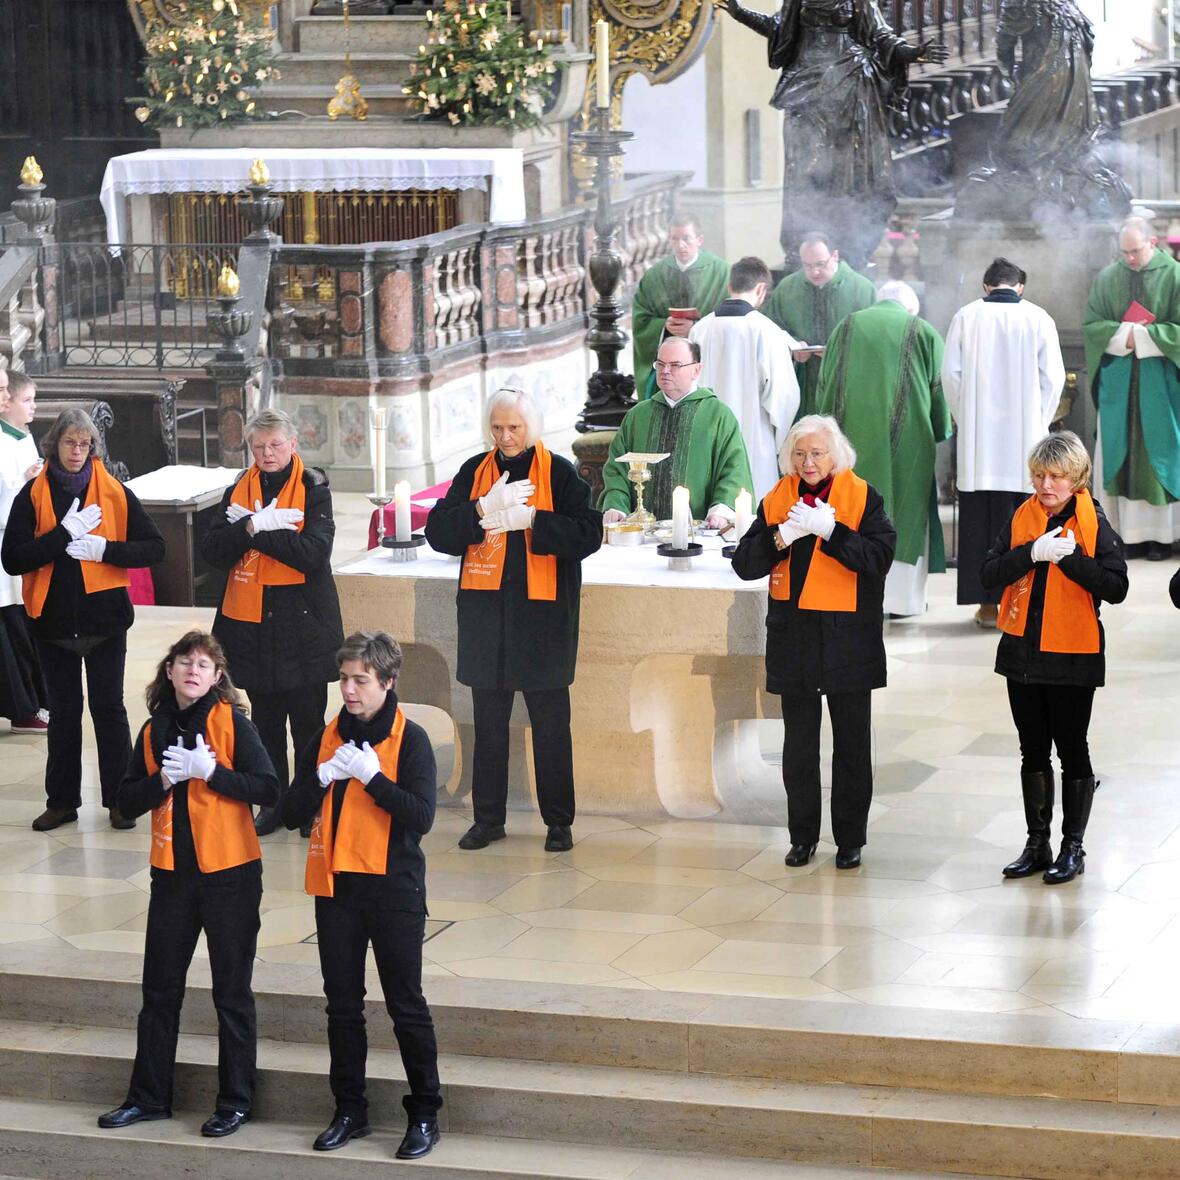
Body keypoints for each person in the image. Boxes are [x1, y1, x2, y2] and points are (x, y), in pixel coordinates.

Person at [97, 631, 278, 1136]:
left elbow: (269, 789)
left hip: (231, 877)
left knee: (231, 993)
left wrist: (213, 772)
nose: (193, 671)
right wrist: (164, 782)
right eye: (185, 662)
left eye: (204, 664)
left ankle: (236, 1101)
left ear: (217, 677)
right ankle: (148, 1097)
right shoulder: (154, 730)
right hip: (172, 877)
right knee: (159, 990)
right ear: (170, 671)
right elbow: (125, 800)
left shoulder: (233, 725)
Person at [280, 631, 442, 1160]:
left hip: (394, 890)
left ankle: (424, 1113)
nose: (349, 690)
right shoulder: (325, 736)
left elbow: (421, 816)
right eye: (345, 679)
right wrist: (320, 779)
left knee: (406, 1005)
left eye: (361, 681)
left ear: (387, 682)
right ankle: (349, 1109)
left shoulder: (410, 738)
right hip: (337, 890)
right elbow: (288, 811)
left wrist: (373, 779)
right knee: (342, 1007)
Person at [426, 388, 602, 852]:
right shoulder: (474, 472)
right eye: (498, 428)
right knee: (488, 724)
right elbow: (439, 532)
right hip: (487, 620)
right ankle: (488, 819)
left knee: (549, 726)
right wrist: (483, 508)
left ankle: (559, 822)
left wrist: (532, 520)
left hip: (542, 620)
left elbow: (589, 532)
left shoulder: (560, 474)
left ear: (532, 428)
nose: (505, 437)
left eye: (514, 428)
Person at [732, 414, 896, 870]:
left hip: (849, 642)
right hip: (796, 641)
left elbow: (880, 558)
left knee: (851, 746)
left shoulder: (863, 498)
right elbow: (745, 564)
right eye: (800, 454)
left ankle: (849, 840)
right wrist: (782, 535)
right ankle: (801, 837)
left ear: (835, 456)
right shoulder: (777, 500)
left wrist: (833, 532)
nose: (808, 462)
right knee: (799, 748)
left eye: (817, 453)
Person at [1, 408, 165, 832]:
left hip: (105, 621)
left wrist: (104, 549)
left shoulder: (114, 491)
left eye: (85, 444)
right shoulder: (32, 494)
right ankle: (61, 802)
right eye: (70, 443)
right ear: (54, 444)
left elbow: (154, 548)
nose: (77, 451)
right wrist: (61, 536)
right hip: (52, 623)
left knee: (109, 711)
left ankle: (120, 800)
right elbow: (13, 558)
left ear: (93, 448)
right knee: (64, 713)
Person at [981, 432, 1127, 884]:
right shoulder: (1021, 517)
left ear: (1076, 480)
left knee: (1072, 750)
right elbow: (989, 574)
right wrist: (1031, 553)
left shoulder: (1094, 523)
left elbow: (1117, 587)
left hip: (1073, 656)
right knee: (1032, 750)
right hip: (1021, 652)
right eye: (1040, 475)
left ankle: (1073, 847)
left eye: (1057, 477)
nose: (1046, 485)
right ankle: (1037, 843)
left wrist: (1073, 561)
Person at [716, 0, 947, 268]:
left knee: (850, 172)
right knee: (803, 168)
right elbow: (778, 29)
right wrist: (740, 12)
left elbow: (882, 37)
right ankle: (802, 244)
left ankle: (849, 245)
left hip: (852, 88)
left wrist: (912, 52)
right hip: (807, 88)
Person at [200, 408, 343, 836]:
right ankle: (274, 804)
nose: (267, 453)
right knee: (264, 722)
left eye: (275, 445)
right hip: (251, 623)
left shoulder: (314, 489)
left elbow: (313, 554)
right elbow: (214, 552)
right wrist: (253, 524)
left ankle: (309, 804)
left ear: (293, 445)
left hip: (303, 623)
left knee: (307, 724)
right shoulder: (237, 491)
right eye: (258, 447)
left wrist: (253, 531)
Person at [814, 280, 950, 617]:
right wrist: (940, 427)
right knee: (905, 509)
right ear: (910, 307)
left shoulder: (845, 327)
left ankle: (856, 594)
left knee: (853, 507)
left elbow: (825, 384)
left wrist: (826, 438)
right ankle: (904, 602)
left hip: (848, 441)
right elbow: (939, 389)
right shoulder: (922, 330)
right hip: (910, 441)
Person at [942, 257, 1065, 626]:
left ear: (986, 286)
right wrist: (1037, 423)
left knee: (981, 525)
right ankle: (1023, 606)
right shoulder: (1039, 317)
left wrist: (968, 420)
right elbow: (1054, 378)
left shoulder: (966, 316)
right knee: (1023, 522)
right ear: (1020, 286)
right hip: (1025, 444)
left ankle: (987, 607)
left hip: (980, 449)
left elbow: (951, 376)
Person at [1084, 217, 1180, 561]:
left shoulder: (1175, 276)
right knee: (1120, 453)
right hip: (1120, 383)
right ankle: (1125, 535)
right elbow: (1092, 326)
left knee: (1160, 455)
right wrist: (1123, 336)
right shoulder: (1108, 277)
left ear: (1152, 243)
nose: (1130, 259)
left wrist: (1139, 336)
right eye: (1124, 252)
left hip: (1163, 383)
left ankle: (1161, 538)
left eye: (1136, 251)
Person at [600, 338, 755, 528]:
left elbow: (734, 470)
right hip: (642, 533)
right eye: (660, 364)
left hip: (699, 531)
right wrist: (617, 506)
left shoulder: (718, 415)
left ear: (696, 370)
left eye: (675, 365)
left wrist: (721, 511)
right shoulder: (638, 415)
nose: (665, 371)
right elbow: (617, 468)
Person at [690, 255, 800, 498]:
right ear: (761, 289)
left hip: (707, 442)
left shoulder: (699, 329)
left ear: (730, 286)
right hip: (754, 443)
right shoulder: (766, 331)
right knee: (752, 517)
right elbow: (783, 396)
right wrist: (782, 447)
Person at [763, 233, 877, 418]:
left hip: (845, 381)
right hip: (801, 380)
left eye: (820, 264)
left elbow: (872, 340)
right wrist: (792, 346)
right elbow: (771, 329)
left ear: (835, 256)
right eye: (807, 265)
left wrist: (840, 351)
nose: (814, 272)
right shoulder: (787, 289)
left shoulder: (862, 289)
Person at [630, 214, 730, 399]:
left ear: (699, 240)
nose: (681, 244)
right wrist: (664, 326)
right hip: (667, 362)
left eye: (686, 238)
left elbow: (730, 318)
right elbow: (641, 318)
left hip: (707, 362)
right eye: (675, 239)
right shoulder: (655, 275)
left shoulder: (721, 272)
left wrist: (696, 328)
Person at [0, 371, 48, 732]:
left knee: (25, 623)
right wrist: (24, 484)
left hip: (21, 542)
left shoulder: (20, 437)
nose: (33, 406)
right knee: (12, 627)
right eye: (26, 399)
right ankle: (24, 707)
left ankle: (38, 701)